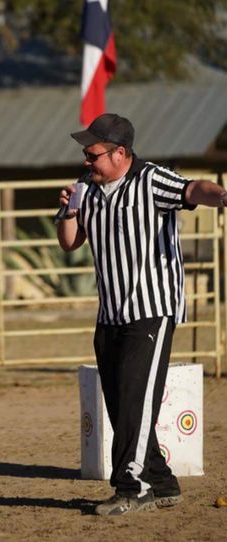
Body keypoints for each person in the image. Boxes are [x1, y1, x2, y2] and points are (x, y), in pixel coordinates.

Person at [57, 113, 227, 516]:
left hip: (151, 310)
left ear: (120, 153)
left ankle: (130, 488)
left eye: (92, 152)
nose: (86, 160)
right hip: (111, 313)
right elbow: (68, 243)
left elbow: (194, 189)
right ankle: (162, 481)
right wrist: (67, 210)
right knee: (119, 405)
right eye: (84, 152)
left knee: (135, 400)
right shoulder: (88, 188)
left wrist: (221, 194)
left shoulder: (151, 180)